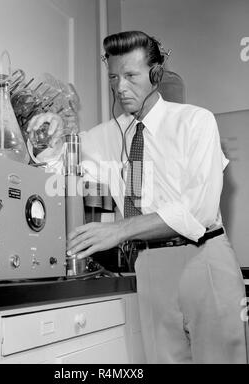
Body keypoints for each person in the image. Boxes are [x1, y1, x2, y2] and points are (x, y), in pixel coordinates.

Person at [28, 31, 248, 364]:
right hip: (149, 268)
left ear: (155, 75)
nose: (120, 87)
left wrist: (120, 229)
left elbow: (198, 212)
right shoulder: (104, 136)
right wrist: (44, 136)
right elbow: (59, 166)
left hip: (203, 259)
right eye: (114, 77)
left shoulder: (195, 122)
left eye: (131, 76)